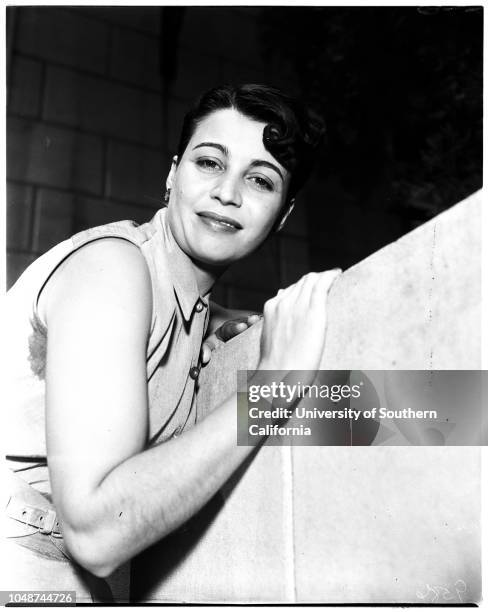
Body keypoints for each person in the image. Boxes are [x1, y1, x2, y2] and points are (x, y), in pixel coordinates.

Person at [4, 84, 341, 601]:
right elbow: (97, 533)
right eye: (209, 163)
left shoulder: (187, 308)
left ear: (283, 216)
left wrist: (213, 330)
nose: (228, 192)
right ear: (172, 173)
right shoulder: (111, 270)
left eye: (259, 179)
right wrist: (275, 383)